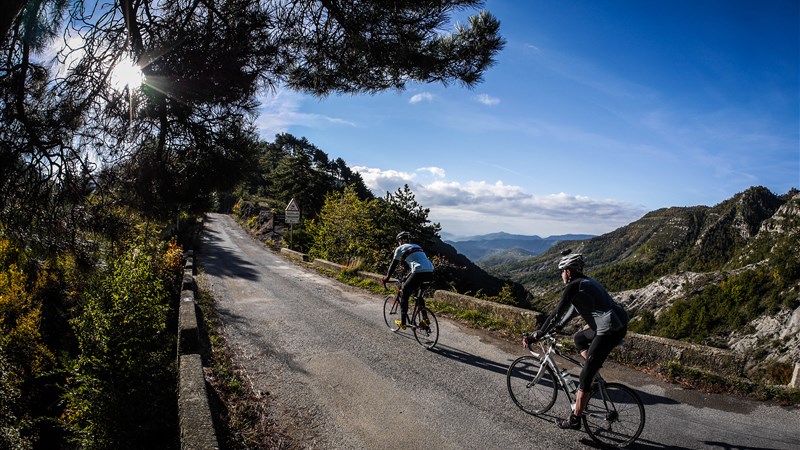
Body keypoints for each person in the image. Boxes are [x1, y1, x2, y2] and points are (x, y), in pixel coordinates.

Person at [523, 250, 629, 430]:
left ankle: (575, 419)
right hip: (614, 324)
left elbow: (556, 314)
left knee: (584, 377)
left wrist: (536, 335)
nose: (561, 275)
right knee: (579, 338)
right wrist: (559, 327)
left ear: (568, 271)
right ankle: (593, 371)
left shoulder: (573, 286)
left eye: (562, 271)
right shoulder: (586, 283)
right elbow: (573, 310)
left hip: (609, 330)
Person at [381, 231, 435, 330]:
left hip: (418, 273)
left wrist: (387, 278)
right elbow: (418, 263)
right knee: (419, 296)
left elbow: (393, 266)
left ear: (400, 240)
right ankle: (425, 319)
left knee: (404, 293)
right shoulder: (417, 246)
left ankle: (403, 322)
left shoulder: (400, 248)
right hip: (430, 272)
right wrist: (407, 277)